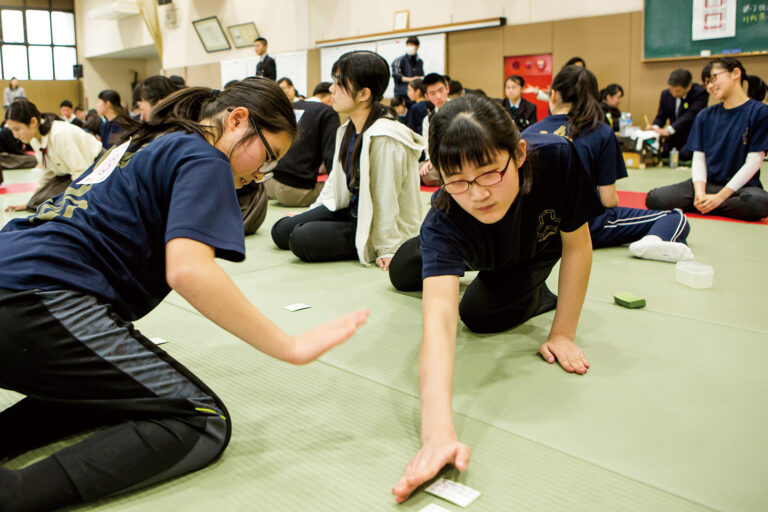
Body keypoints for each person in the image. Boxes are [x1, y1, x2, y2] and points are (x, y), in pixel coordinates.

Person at [0, 78, 369, 512]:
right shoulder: (205, 156)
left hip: (17, 278)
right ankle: (17, 494)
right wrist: (290, 345)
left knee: (121, 395)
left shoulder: (149, 139)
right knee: (200, 419)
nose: (259, 175)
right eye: (266, 157)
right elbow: (189, 270)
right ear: (236, 120)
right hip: (40, 298)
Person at [387, 95, 602, 503]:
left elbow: (577, 246)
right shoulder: (445, 217)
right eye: (459, 180)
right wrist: (437, 436)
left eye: (489, 173)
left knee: (478, 313)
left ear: (518, 153)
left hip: (530, 248)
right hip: (472, 245)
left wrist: (563, 334)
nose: (478, 193)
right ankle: (459, 265)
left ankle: (536, 292)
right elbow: (437, 326)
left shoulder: (557, 159)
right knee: (402, 272)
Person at [271, 51, 424, 269]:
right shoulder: (348, 128)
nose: (332, 89)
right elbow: (335, 181)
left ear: (364, 94)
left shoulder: (386, 136)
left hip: (368, 221)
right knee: (280, 231)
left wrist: (387, 247)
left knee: (300, 239)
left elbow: (387, 195)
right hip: (347, 209)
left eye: (339, 83)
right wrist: (312, 212)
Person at [524, 66, 693, 263]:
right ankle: (652, 241)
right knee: (675, 218)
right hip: (584, 227)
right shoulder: (601, 132)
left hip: (535, 228)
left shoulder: (527, 134)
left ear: (553, 95)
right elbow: (607, 199)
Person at [646, 58, 768, 221]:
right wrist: (700, 192)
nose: (710, 86)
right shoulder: (705, 115)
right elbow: (699, 157)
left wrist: (720, 197)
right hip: (706, 183)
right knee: (654, 198)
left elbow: (754, 161)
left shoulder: (759, 112)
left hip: (741, 187)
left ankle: (711, 205)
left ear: (736, 74)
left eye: (713, 78)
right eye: (706, 83)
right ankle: (707, 203)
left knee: (760, 202)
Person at [4, 99, 102, 212]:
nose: (15, 136)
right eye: (12, 130)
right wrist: (31, 202)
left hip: (97, 166)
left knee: (62, 204)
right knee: (39, 203)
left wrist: (81, 206)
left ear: (33, 122)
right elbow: (47, 172)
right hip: (68, 173)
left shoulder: (59, 134)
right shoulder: (34, 139)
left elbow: (81, 171)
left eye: (17, 129)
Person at [266, 81, 341, 207]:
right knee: (339, 192)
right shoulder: (327, 112)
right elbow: (331, 156)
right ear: (329, 97)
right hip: (295, 192)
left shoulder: (292, 105)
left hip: (268, 183)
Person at [646, 69, 709, 160]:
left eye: (678, 91)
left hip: (690, 136)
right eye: (672, 90)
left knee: (684, 155)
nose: (674, 94)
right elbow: (661, 115)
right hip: (673, 137)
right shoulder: (666, 94)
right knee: (662, 153)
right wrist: (654, 128)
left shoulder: (700, 93)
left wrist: (669, 130)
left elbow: (690, 116)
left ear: (689, 86)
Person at [419, 73, 450, 186]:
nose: (438, 96)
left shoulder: (462, 109)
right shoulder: (428, 120)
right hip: (439, 161)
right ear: (427, 96)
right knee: (421, 171)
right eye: (433, 93)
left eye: (441, 90)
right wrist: (429, 160)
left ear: (447, 89)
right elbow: (428, 144)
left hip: (460, 157)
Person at [391, 36, 424, 103]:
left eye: (412, 45)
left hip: (415, 97)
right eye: (408, 45)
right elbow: (397, 76)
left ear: (417, 47)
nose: (410, 47)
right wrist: (412, 79)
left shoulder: (419, 62)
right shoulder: (400, 60)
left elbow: (421, 77)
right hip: (402, 96)